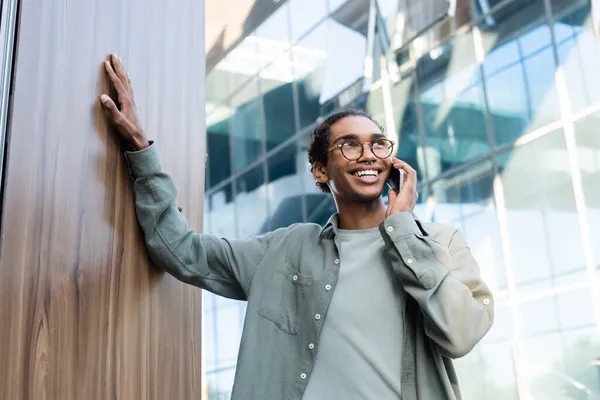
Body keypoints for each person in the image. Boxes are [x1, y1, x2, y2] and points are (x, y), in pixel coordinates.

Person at [99, 53, 494, 400]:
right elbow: (180, 250)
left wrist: (404, 230)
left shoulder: (440, 243)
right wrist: (139, 147)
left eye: (377, 144)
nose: (367, 155)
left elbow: (462, 333)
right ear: (321, 170)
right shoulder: (283, 250)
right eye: (350, 145)